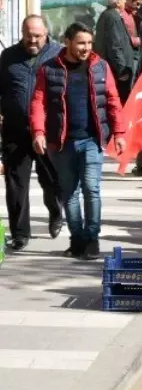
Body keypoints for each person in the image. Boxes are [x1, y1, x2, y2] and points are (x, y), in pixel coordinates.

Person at [30, 23, 126, 260]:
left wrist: (120, 134)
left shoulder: (100, 67)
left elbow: (113, 101)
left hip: (92, 140)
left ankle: (92, 239)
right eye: (81, 43)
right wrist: (38, 132)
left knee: (91, 189)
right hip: (60, 143)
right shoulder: (49, 69)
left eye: (89, 43)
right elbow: (38, 103)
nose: (86, 48)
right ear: (68, 42)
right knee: (69, 193)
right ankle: (77, 240)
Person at [1, 16, 64, 251]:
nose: (33, 40)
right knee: (16, 183)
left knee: (52, 180)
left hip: (48, 132)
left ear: (46, 33)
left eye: (37, 36)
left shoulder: (59, 55)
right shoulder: (8, 57)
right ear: (22, 33)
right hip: (15, 131)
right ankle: (20, 233)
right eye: (28, 36)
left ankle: (56, 211)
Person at [94, 0, 136, 101]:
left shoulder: (107, 15)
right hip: (118, 71)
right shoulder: (113, 17)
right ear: (117, 2)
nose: (125, 1)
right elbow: (115, 45)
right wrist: (121, 69)